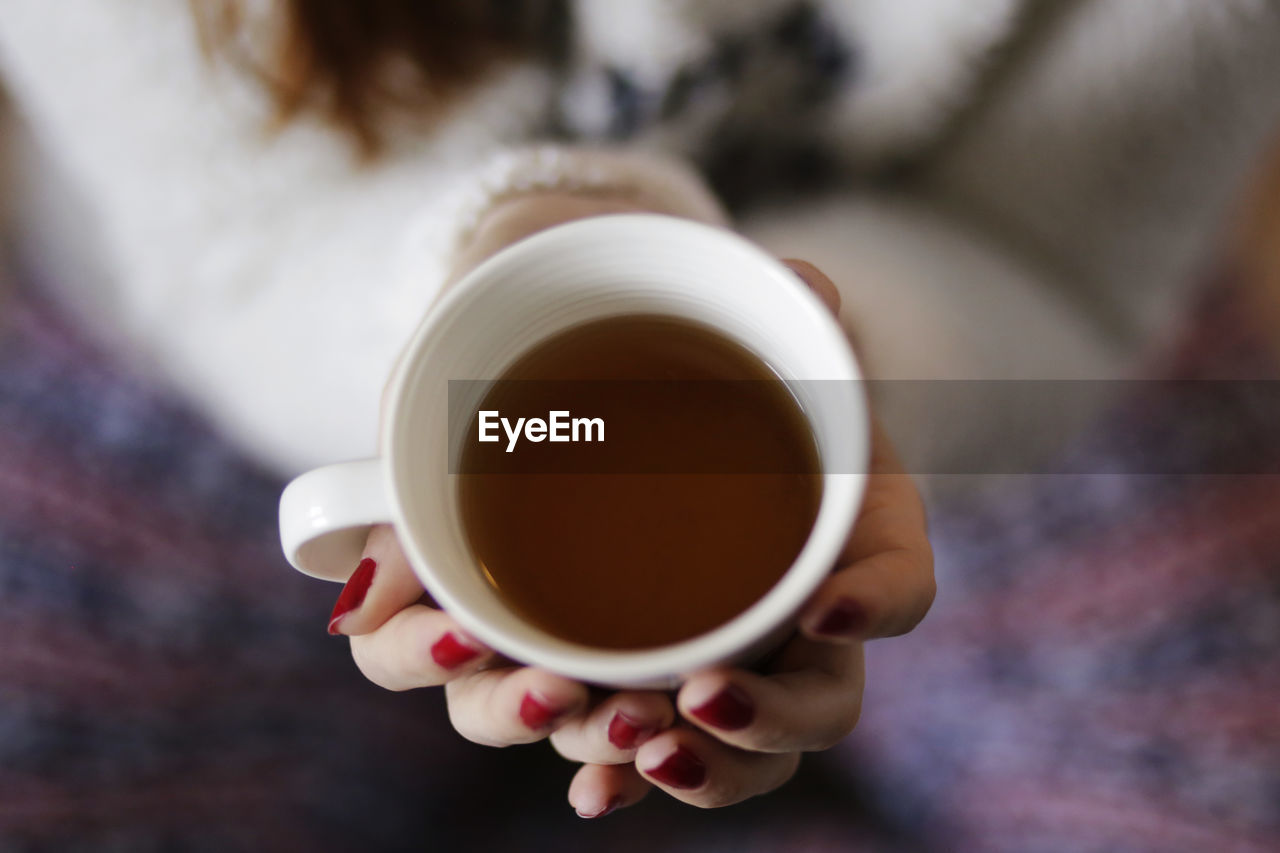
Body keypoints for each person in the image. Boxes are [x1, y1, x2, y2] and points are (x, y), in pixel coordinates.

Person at [0, 0, 1276, 821]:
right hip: (225, 353)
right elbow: (241, 245)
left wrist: (826, 383)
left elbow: (1050, 264)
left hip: (941, 376)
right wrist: (507, 283)